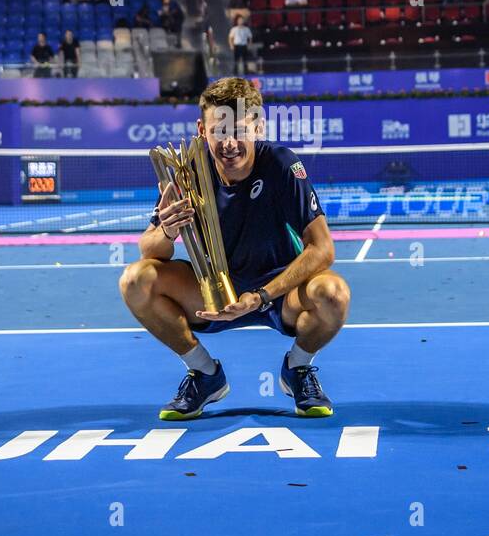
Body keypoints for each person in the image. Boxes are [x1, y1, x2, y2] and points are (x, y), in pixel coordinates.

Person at [118, 77, 349, 419]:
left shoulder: (282, 165)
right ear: (201, 129)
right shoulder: (188, 173)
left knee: (333, 293)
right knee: (135, 281)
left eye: (239, 130)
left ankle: (298, 369)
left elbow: (322, 249)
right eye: (218, 131)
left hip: (279, 291)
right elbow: (151, 250)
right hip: (214, 290)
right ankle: (204, 373)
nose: (229, 143)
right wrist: (167, 230)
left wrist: (261, 296)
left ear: (258, 127)